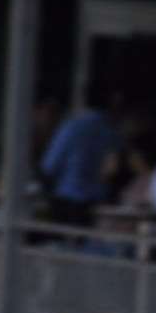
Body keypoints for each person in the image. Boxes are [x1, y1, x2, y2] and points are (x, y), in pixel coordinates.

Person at [41, 95, 123, 227]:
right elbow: (112, 170)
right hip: (96, 203)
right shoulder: (110, 130)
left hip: (67, 200)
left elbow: (49, 166)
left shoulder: (72, 126)